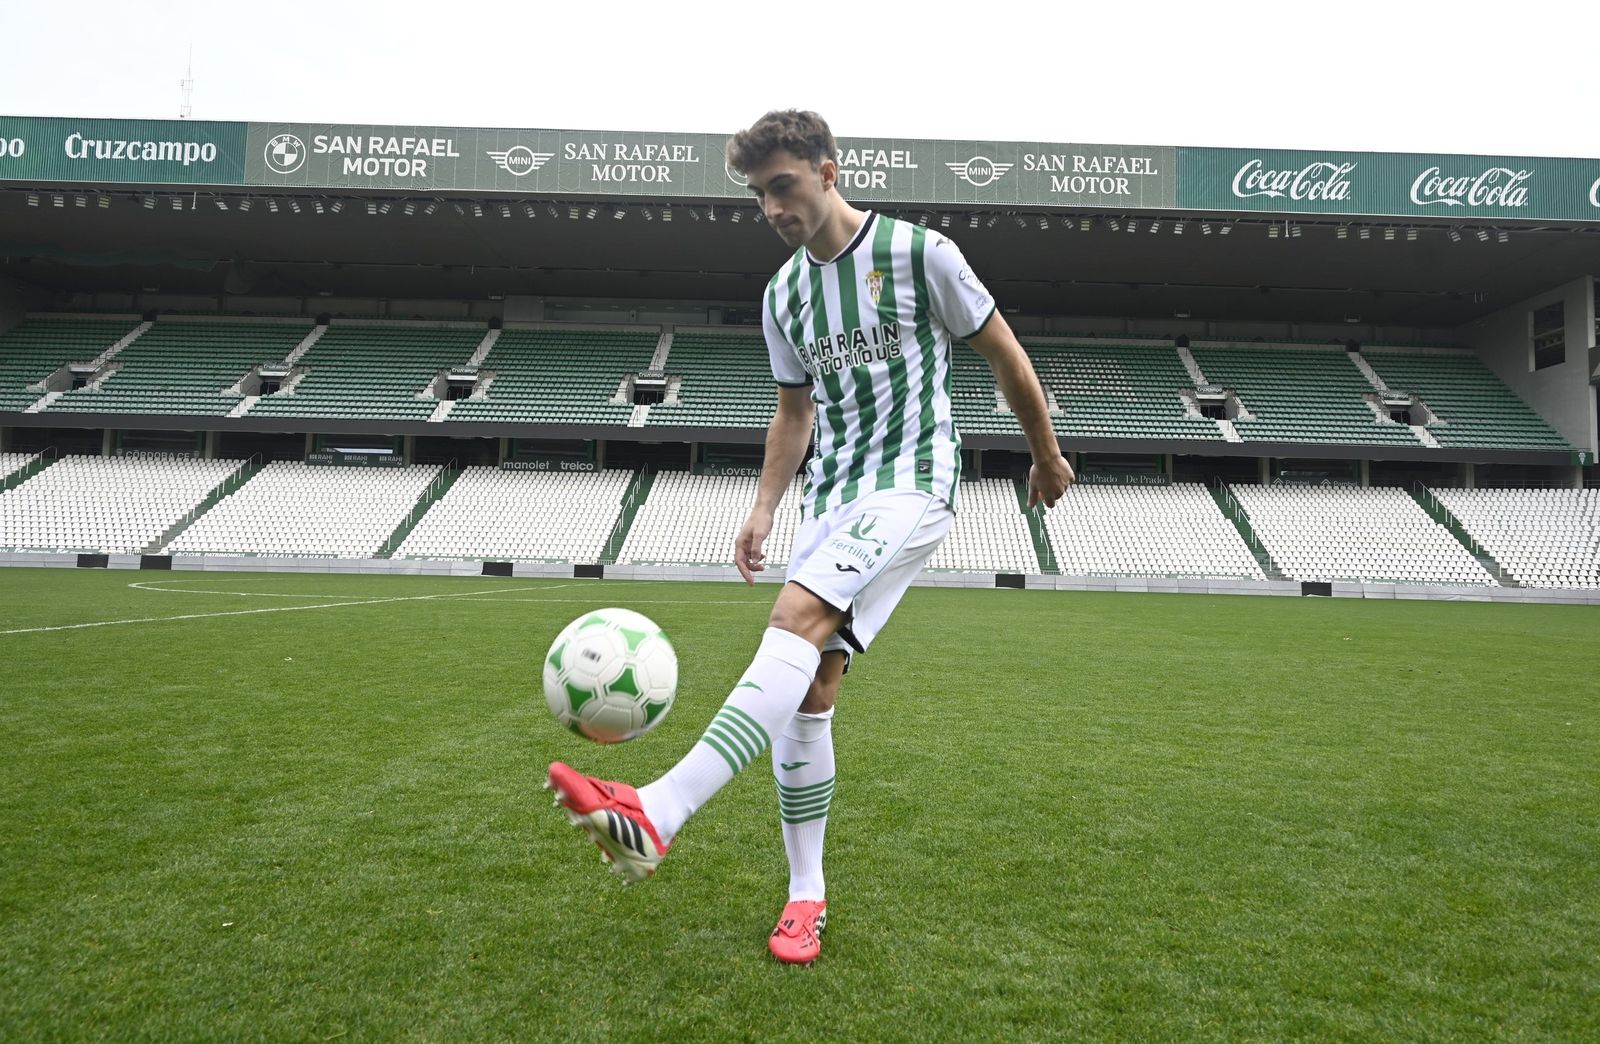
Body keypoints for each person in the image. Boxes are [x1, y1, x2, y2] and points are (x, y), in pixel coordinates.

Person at [547, 109, 1074, 965]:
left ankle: (659, 810)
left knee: (794, 619)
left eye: (783, 186)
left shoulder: (920, 254)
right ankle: (805, 895)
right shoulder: (782, 295)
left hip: (912, 479)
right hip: (829, 497)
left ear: (829, 172)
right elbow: (794, 412)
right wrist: (763, 506)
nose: (772, 209)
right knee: (810, 693)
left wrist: (1045, 455)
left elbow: (1006, 356)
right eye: (759, 195)